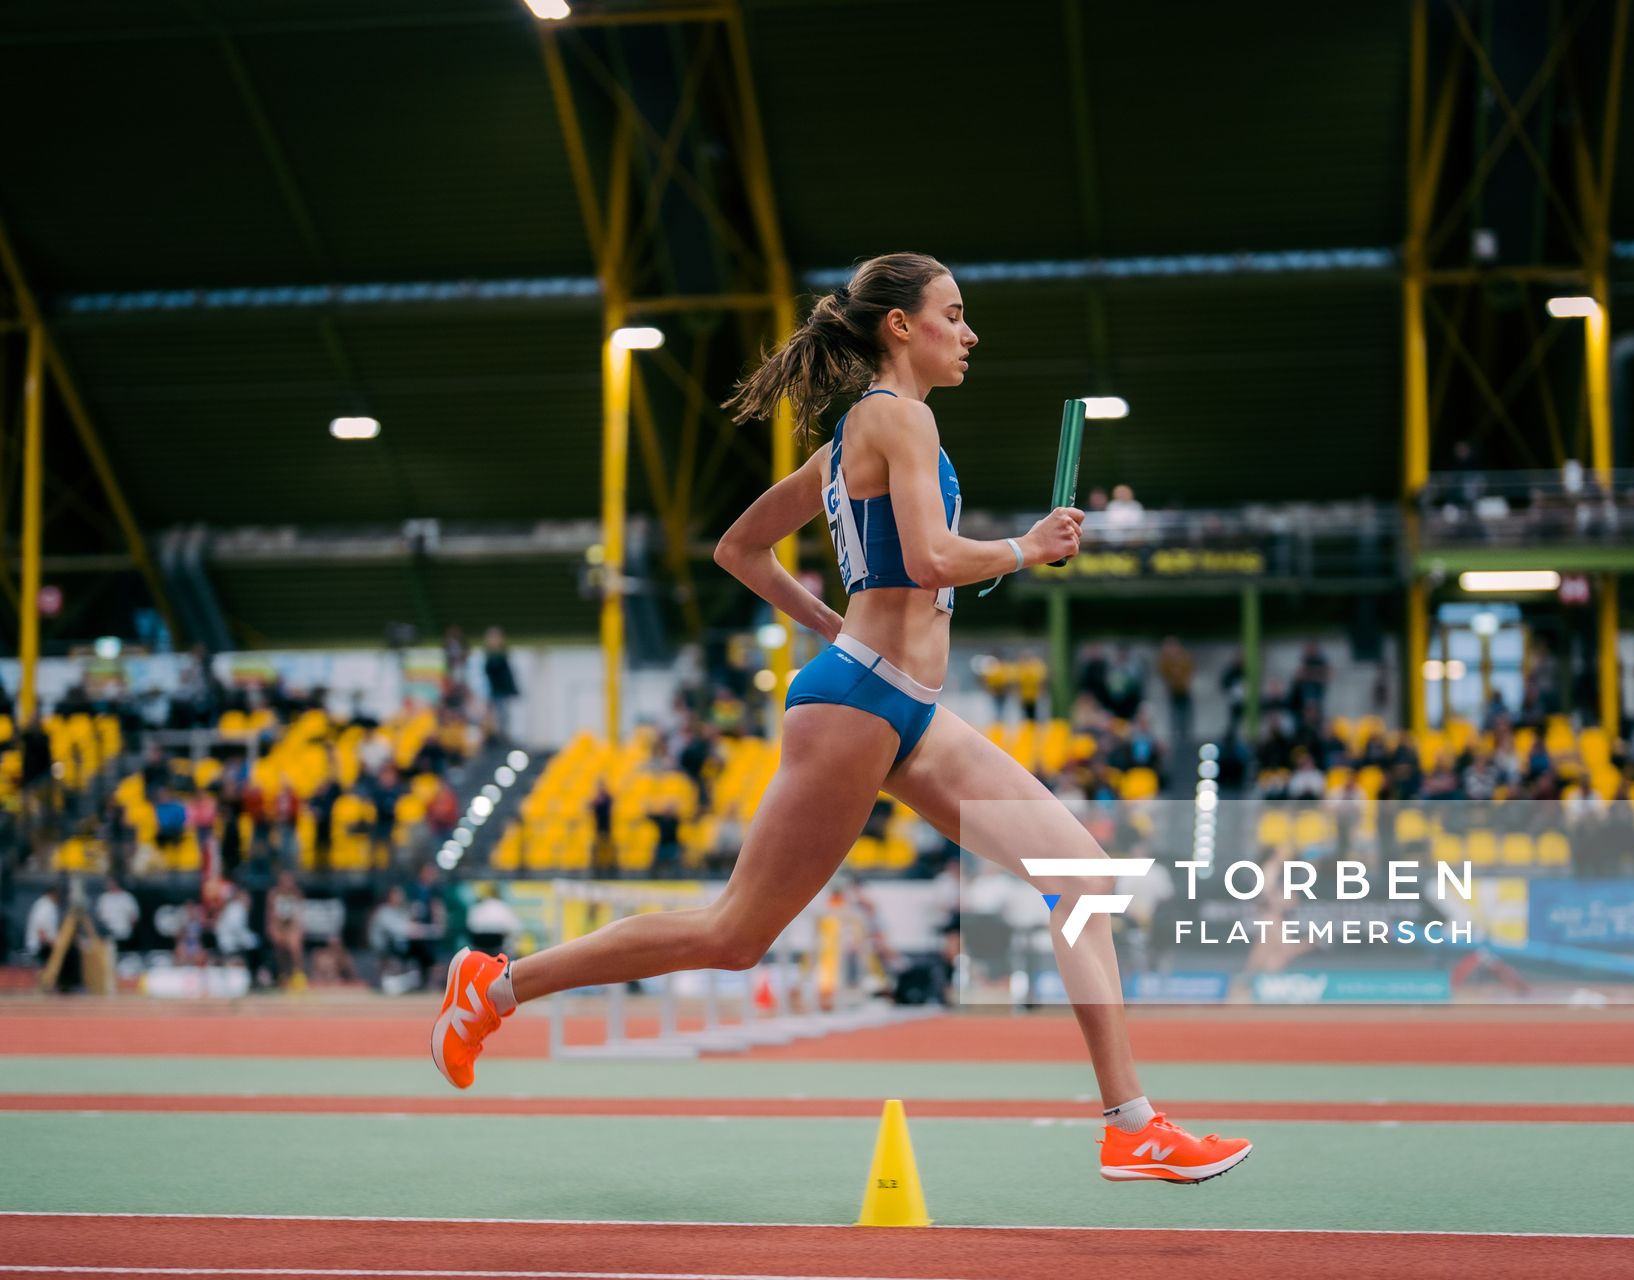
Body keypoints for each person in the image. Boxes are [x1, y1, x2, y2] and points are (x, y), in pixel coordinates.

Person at [425, 254, 1249, 1184]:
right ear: (901, 326)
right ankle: (493, 986)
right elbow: (931, 558)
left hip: (904, 704)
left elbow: (743, 549)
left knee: (1081, 877)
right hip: (858, 704)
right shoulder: (901, 418)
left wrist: (834, 622)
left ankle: (1130, 1123)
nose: (969, 333)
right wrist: (1027, 547)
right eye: (954, 313)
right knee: (735, 936)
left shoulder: (855, 439)